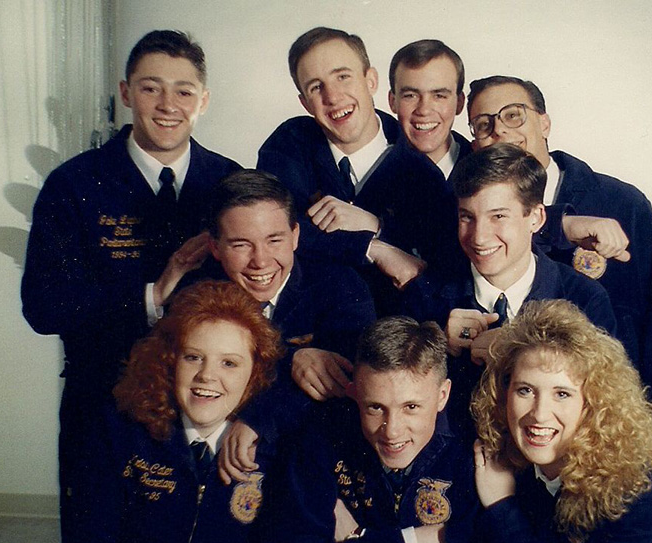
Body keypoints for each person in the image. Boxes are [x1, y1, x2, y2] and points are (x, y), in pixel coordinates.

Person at [20, 29, 241, 543]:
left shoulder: (229, 181)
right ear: (125, 93)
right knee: (96, 541)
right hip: (102, 401)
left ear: (203, 100)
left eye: (184, 91)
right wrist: (149, 297)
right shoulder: (74, 184)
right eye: (150, 88)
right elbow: (42, 306)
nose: (168, 105)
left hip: (206, 410)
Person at [466, 75, 652, 468]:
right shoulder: (475, 215)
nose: (499, 129)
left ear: (545, 123)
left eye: (514, 115)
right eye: (483, 123)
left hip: (611, 438)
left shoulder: (620, 203)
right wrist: (563, 224)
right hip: (512, 442)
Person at [160, 170, 376, 483]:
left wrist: (261, 417)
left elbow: (345, 384)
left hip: (312, 462)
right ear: (215, 247)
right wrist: (293, 359)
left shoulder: (341, 286)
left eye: (274, 240)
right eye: (240, 245)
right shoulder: (196, 293)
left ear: (296, 237)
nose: (260, 261)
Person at [404, 143, 616, 439]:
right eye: (467, 217)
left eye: (498, 216)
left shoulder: (584, 299)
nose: (479, 237)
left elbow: (603, 410)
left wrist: (520, 350)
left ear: (536, 218)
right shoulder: (424, 295)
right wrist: (436, 342)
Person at [470, 299, 652, 543]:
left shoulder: (635, 491)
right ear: (504, 394)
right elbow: (468, 539)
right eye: (525, 390)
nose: (539, 413)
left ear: (592, 403)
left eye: (562, 394)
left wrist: (502, 507)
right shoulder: (508, 460)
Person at [64, 280, 283, 543]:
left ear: (255, 373)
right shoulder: (119, 431)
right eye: (193, 357)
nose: (207, 375)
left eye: (229, 363)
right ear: (170, 360)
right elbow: (91, 540)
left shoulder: (274, 450)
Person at [257, 27, 458, 314]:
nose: (333, 97)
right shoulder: (290, 143)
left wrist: (377, 225)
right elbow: (272, 232)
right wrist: (373, 247)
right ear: (303, 102)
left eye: (343, 76)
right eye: (316, 87)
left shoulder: (422, 173)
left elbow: (425, 271)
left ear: (371, 80)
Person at [272, 316, 478, 543]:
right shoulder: (323, 437)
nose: (391, 431)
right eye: (375, 408)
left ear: (442, 395)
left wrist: (358, 538)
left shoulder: (473, 448)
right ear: (356, 393)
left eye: (411, 407)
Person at [388, 39, 471, 182]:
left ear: (459, 102)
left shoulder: (481, 168)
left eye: (439, 96)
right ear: (392, 101)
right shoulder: (375, 169)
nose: (424, 110)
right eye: (410, 96)